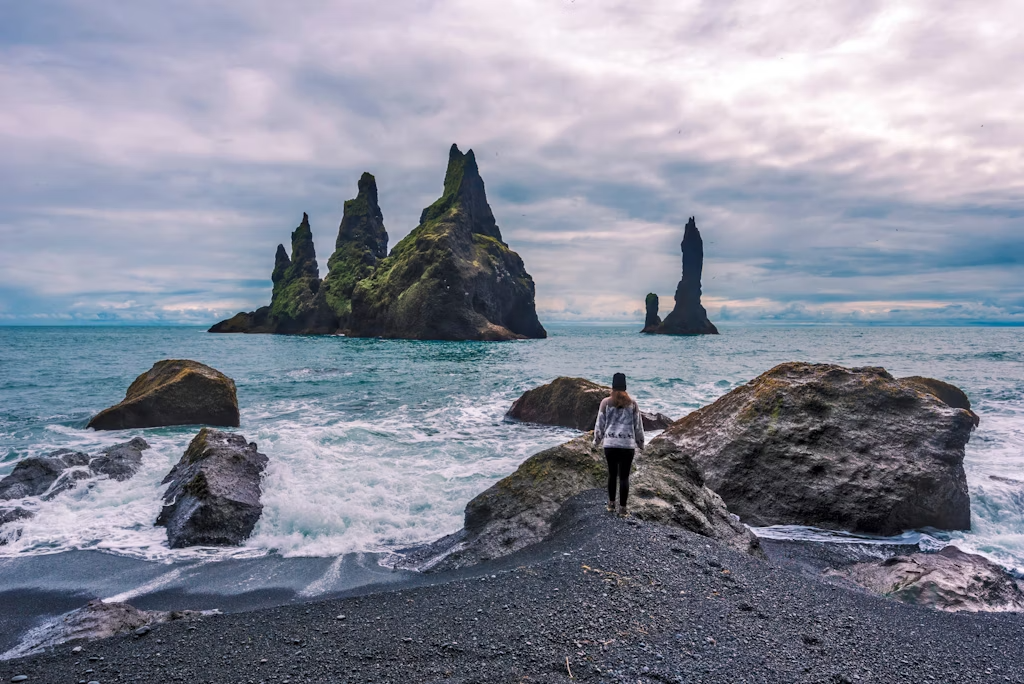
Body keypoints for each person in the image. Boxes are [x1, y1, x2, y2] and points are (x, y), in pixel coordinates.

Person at [593, 372, 644, 516]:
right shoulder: (632, 404)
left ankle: (610, 505)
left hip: (610, 445)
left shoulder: (605, 402)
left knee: (612, 474)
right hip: (627, 446)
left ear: (613, 386)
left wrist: (596, 442)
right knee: (624, 477)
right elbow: (638, 426)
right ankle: (623, 509)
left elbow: (599, 425)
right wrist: (641, 443)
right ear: (625, 386)